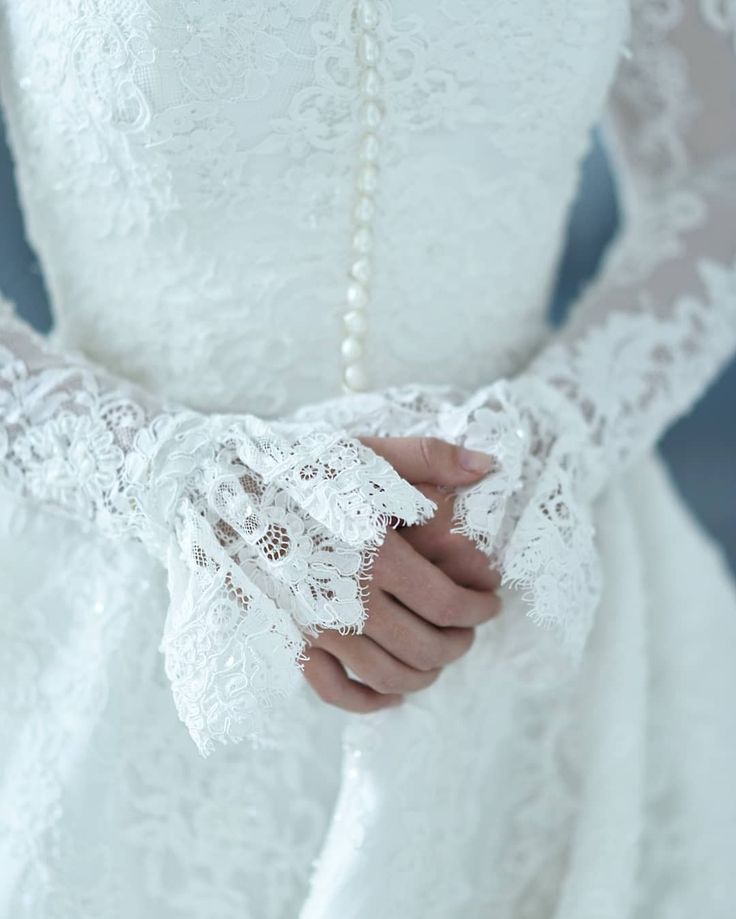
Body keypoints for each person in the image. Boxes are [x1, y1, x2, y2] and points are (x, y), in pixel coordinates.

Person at [0, 1, 734, 916]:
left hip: (529, 587)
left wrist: (566, 427)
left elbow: (718, 167)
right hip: (122, 604)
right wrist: (177, 478)